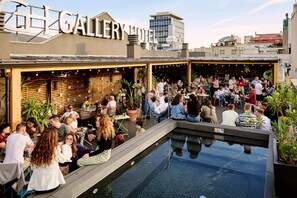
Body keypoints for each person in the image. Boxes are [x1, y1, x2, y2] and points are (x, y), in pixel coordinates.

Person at [28, 127, 72, 193]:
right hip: (51, 185)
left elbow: (32, 168)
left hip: (37, 187)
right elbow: (64, 159)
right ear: (54, 138)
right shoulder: (54, 149)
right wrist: (66, 146)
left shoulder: (33, 149)